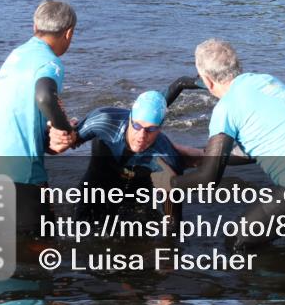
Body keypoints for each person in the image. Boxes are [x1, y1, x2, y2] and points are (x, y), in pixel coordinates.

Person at [167, 39, 285, 251]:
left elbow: (208, 180)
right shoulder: (266, 81)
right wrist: (203, 155)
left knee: (239, 242)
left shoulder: (226, 107)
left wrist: (169, 183)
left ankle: (254, 283)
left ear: (207, 80)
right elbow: (260, 147)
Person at [0, 0, 78, 235]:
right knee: (41, 255)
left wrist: (48, 134)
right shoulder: (50, 63)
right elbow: (44, 96)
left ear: (34, 27)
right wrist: (65, 130)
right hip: (20, 177)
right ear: (68, 33)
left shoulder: (17, 54)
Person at [70, 89, 204, 221]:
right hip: (95, 185)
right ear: (130, 118)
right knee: (79, 228)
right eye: (137, 126)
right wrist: (63, 130)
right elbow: (64, 141)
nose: (141, 136)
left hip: (136, 197)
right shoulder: (103, 121)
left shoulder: (166, 157)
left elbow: (173, 221)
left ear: (160, 127)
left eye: (151, 129)